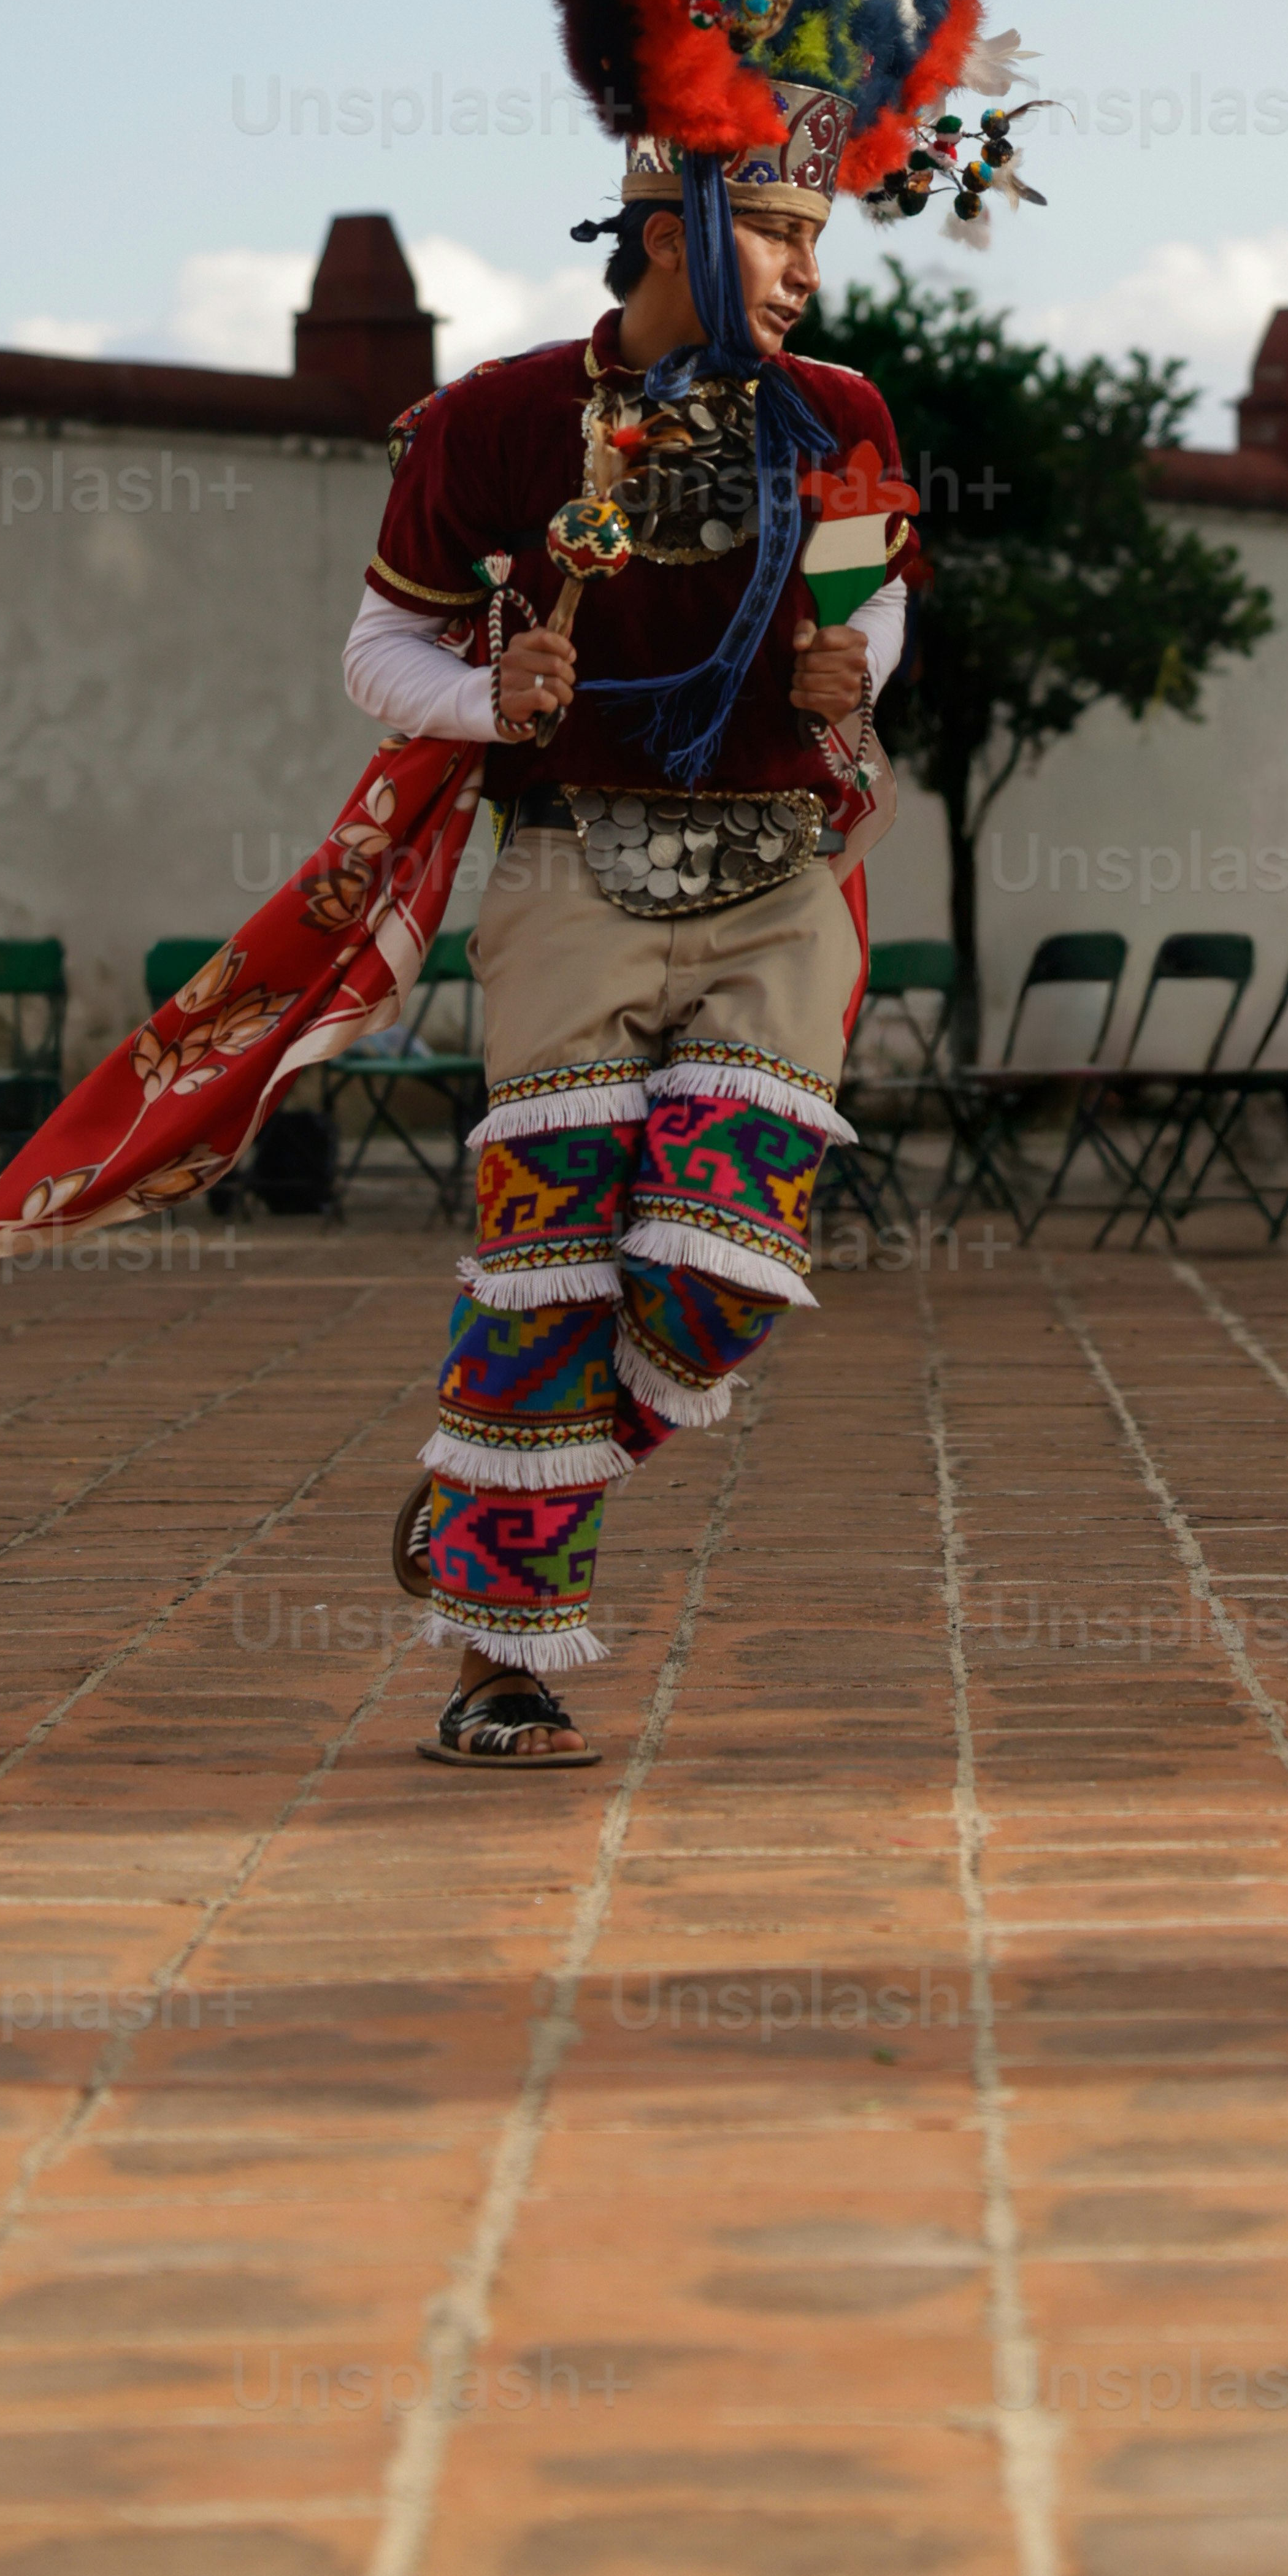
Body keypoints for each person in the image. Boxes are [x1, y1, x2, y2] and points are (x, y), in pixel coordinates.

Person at [340, 85, 913, 1766]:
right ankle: (495, 1668)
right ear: (670, 234)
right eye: (776, 232)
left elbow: (872, 604)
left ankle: (492, 1494)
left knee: (725, 1268)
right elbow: (376, 651)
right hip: (567, 868)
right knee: (546, 1269)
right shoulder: (497, 420)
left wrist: (849, 670)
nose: (805, 270)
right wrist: (481, 696)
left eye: (817, 237)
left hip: (777, 873)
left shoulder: (839, 412)